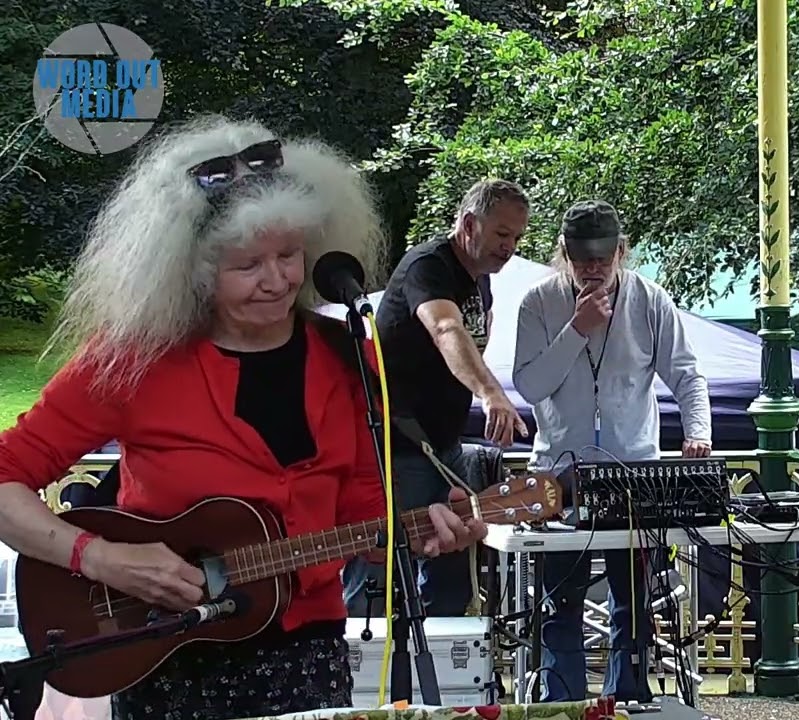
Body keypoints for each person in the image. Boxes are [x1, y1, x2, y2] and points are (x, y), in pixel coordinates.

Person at [0, 115, 487, 720]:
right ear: (194, 272)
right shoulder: (131, 362)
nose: (278, 280)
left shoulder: (348, 358)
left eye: (289, 255)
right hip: (165, 657)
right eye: (247, 265)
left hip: (308, 659)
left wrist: (426, 531)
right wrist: (98, 558)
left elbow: (364, 515)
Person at [512, 199, 712, 701]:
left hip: (635, 471)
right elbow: (531, 385)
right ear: (563, 255)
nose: (593, 270)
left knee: (635, 602)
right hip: (559, 470)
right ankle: (564, 704)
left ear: (622, 252)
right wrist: (575, 329)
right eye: (582, 261)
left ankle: (630, 700)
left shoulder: (650, 300)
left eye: (603, 258)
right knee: (561, 602)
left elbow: (686, 375)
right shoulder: (538, 302)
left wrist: (698, 432)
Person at [343, 179, 531, 616]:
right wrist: (491, 392)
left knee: (451, 581)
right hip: (398, 450)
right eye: (502, 235)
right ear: (469, 224)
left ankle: (441, 676)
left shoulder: (480, 281)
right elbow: (446, 329)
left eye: (517, 238)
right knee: (378, 580)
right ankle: (361, 677)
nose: (510, 248)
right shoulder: (428, 267)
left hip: (444, 451)